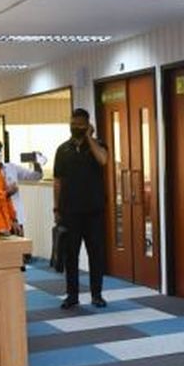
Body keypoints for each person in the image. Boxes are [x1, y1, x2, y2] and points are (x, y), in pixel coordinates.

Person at [54, 108, 110, 308]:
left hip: (94, 211)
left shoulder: (98, 145)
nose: (75, 127)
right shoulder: (62, 150)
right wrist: (56, 209)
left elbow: (103, 160)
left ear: (87, 125)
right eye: (72, 123)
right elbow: (58, 181)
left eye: (79, 124)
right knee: (71, 256)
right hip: (70, 212)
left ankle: (97, 294)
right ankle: (72, 295)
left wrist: (89, 138)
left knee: (96, 254)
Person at [0, 140, 43, 236]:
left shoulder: (11, 168)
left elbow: (36, 176)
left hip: (17, 218)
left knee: (20, 248)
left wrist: (36, 163)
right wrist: (7, 191)